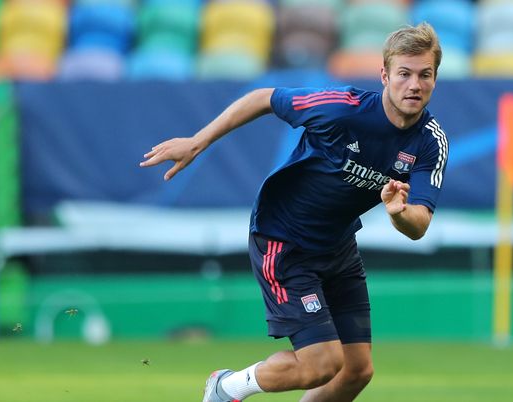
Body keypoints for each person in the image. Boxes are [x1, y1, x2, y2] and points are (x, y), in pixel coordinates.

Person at [140, 22, 448, 402]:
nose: (414, 85)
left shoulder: (431, 143)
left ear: (435, 78)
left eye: (425, 75)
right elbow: (264, 98)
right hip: (283, 241)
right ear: (384, 75)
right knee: (321, 363)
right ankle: (225, 388)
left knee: (356, 372)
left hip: (337, 249)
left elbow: (418, 225)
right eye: (404, 74)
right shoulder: (342, 109)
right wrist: (196, 142)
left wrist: (398, 213)